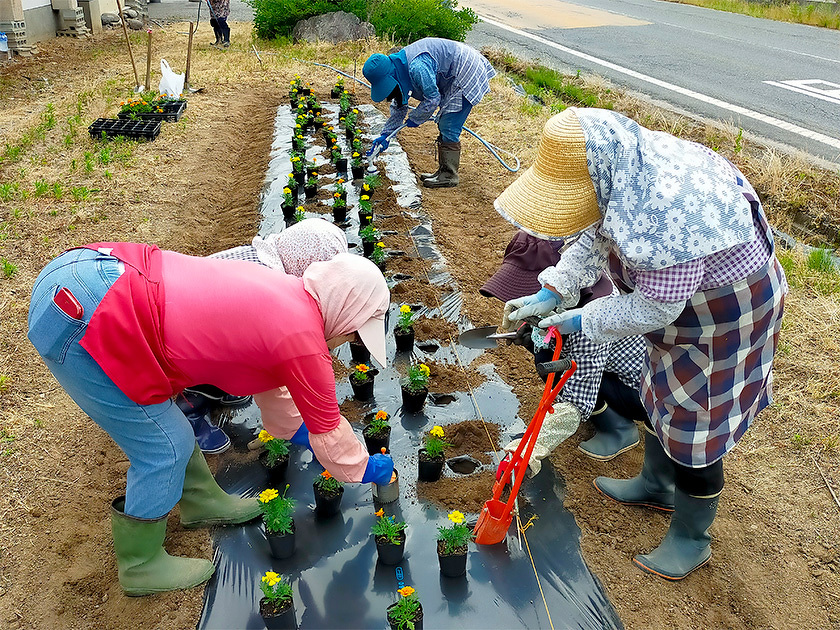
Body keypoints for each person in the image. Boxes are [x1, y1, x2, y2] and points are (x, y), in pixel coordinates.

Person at [496, 108, 786, 580]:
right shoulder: (618, 175)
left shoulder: (668, 209)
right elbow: (593, 235)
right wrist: (552, 290)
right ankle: (655, 483)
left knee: (698, 424)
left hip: (726, 315)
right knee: (660, 392)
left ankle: (692, 537)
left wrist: (580, 318)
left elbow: (653, 309)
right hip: (675, 308)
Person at [27, 243, 394, 595]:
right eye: (351, 332)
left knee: (173, 430)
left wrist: (303, 433)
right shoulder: (303, 338)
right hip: (84, 313)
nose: (344, 341)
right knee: (164, 445)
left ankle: (201, 503)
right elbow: (330, 434)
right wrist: (368, 469)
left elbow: (280, 405)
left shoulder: (284, 294)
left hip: (99, 273)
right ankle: (140, 564)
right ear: (344, 311)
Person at [481, 230, 646, 474]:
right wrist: (532, 337)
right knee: (546, 357)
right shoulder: (583, 289)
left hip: (641, 391)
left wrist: (530, 447)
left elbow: (578, 398)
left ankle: (618, 428)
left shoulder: (593, 318)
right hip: (607, 366)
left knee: (561, 370)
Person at [181, 218, 350, 455]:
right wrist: (294, 424)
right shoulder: (267, 293)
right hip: (175, 340)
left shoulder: (259, 259)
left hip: (199, 318)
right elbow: (266, 361)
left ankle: (219, 386)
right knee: (224, 358)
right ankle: (188, 413)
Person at [362, 37, 496, 188]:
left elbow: (433, 99)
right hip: (453, 71)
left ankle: (449, 175)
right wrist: (385, 135)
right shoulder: (398, 67)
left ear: (390, 76)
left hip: (467, 69)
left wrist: (415, 117)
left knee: (449, 123)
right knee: (445, 122)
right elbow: (399, 105)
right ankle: (442, 171)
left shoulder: (417, 67)